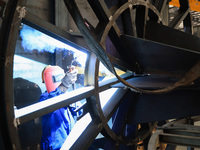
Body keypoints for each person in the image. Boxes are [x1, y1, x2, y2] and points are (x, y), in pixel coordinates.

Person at [40, 65, 79, 150]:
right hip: (55, 146)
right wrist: (64, 85)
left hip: (72, 143)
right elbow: (52, 102)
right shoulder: (45, 98)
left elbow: (79, 111)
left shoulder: (67, 96)